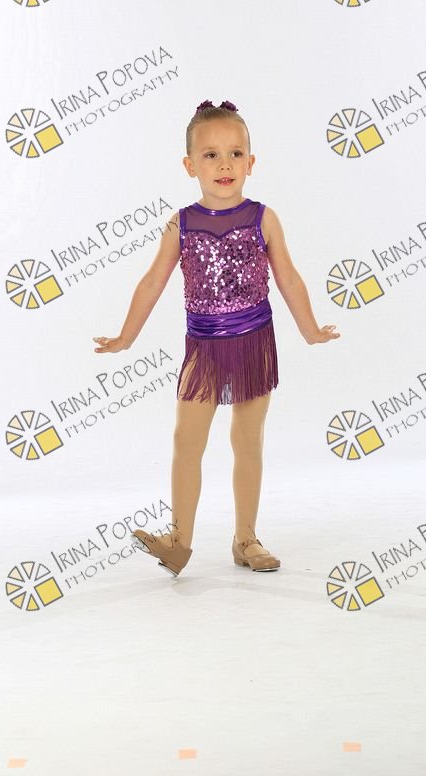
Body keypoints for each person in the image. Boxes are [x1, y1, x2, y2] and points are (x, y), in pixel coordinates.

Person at [93, 99, 340, 577]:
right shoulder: (180, 224)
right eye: (210, 155)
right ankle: (179, 541)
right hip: (203, 347)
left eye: (235, 153)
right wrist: (125, 337)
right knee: (187, 439)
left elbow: (288, 278)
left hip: (253, 342)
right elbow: (152, 282)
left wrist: (310, 330)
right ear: (190, 165)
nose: (224, 164)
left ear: (251, 162)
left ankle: (246, 538)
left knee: (247, 441)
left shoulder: (263, 218)